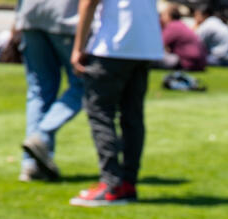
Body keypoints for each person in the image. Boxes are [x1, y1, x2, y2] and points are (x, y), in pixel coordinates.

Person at [69, 0, 164, 206]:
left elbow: (88, 3)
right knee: (133, 117)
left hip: (112, 45)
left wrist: (78, 47)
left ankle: (111, 184)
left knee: (100, 114)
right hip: (144, 45)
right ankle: (128, 183)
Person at [16, 0, 85, 183]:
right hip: (64, 17)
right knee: (84, 86)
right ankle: (41, 136)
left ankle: (32, 165)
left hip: (30, 14)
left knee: (39, 90)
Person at [157, 2, 208, 71]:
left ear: (169, 16)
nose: (160, 18)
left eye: (163, 15)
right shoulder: (180, 25)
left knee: (154, 58)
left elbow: (158, 44)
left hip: (187, 62)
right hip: (199, 62)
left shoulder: (172, 26)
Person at [193, 2, 228, 67]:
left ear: (205, 15)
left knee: (192, 58)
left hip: (222, 58)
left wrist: (196, 25)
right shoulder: (216, 20)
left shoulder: (207, 25)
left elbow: (196, 42)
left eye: (197, 15)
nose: (195, 18)